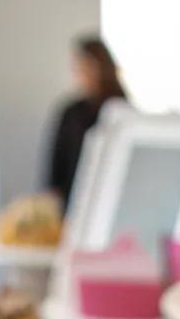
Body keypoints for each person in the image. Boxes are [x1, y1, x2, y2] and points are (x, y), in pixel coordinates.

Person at [45, 35, 127, 210]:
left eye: (88, 66)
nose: (82, 73)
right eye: (78, 67)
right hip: (74, 202)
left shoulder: (123, 109)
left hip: (112, 199)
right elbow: (56, 165)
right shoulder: (71, 112)